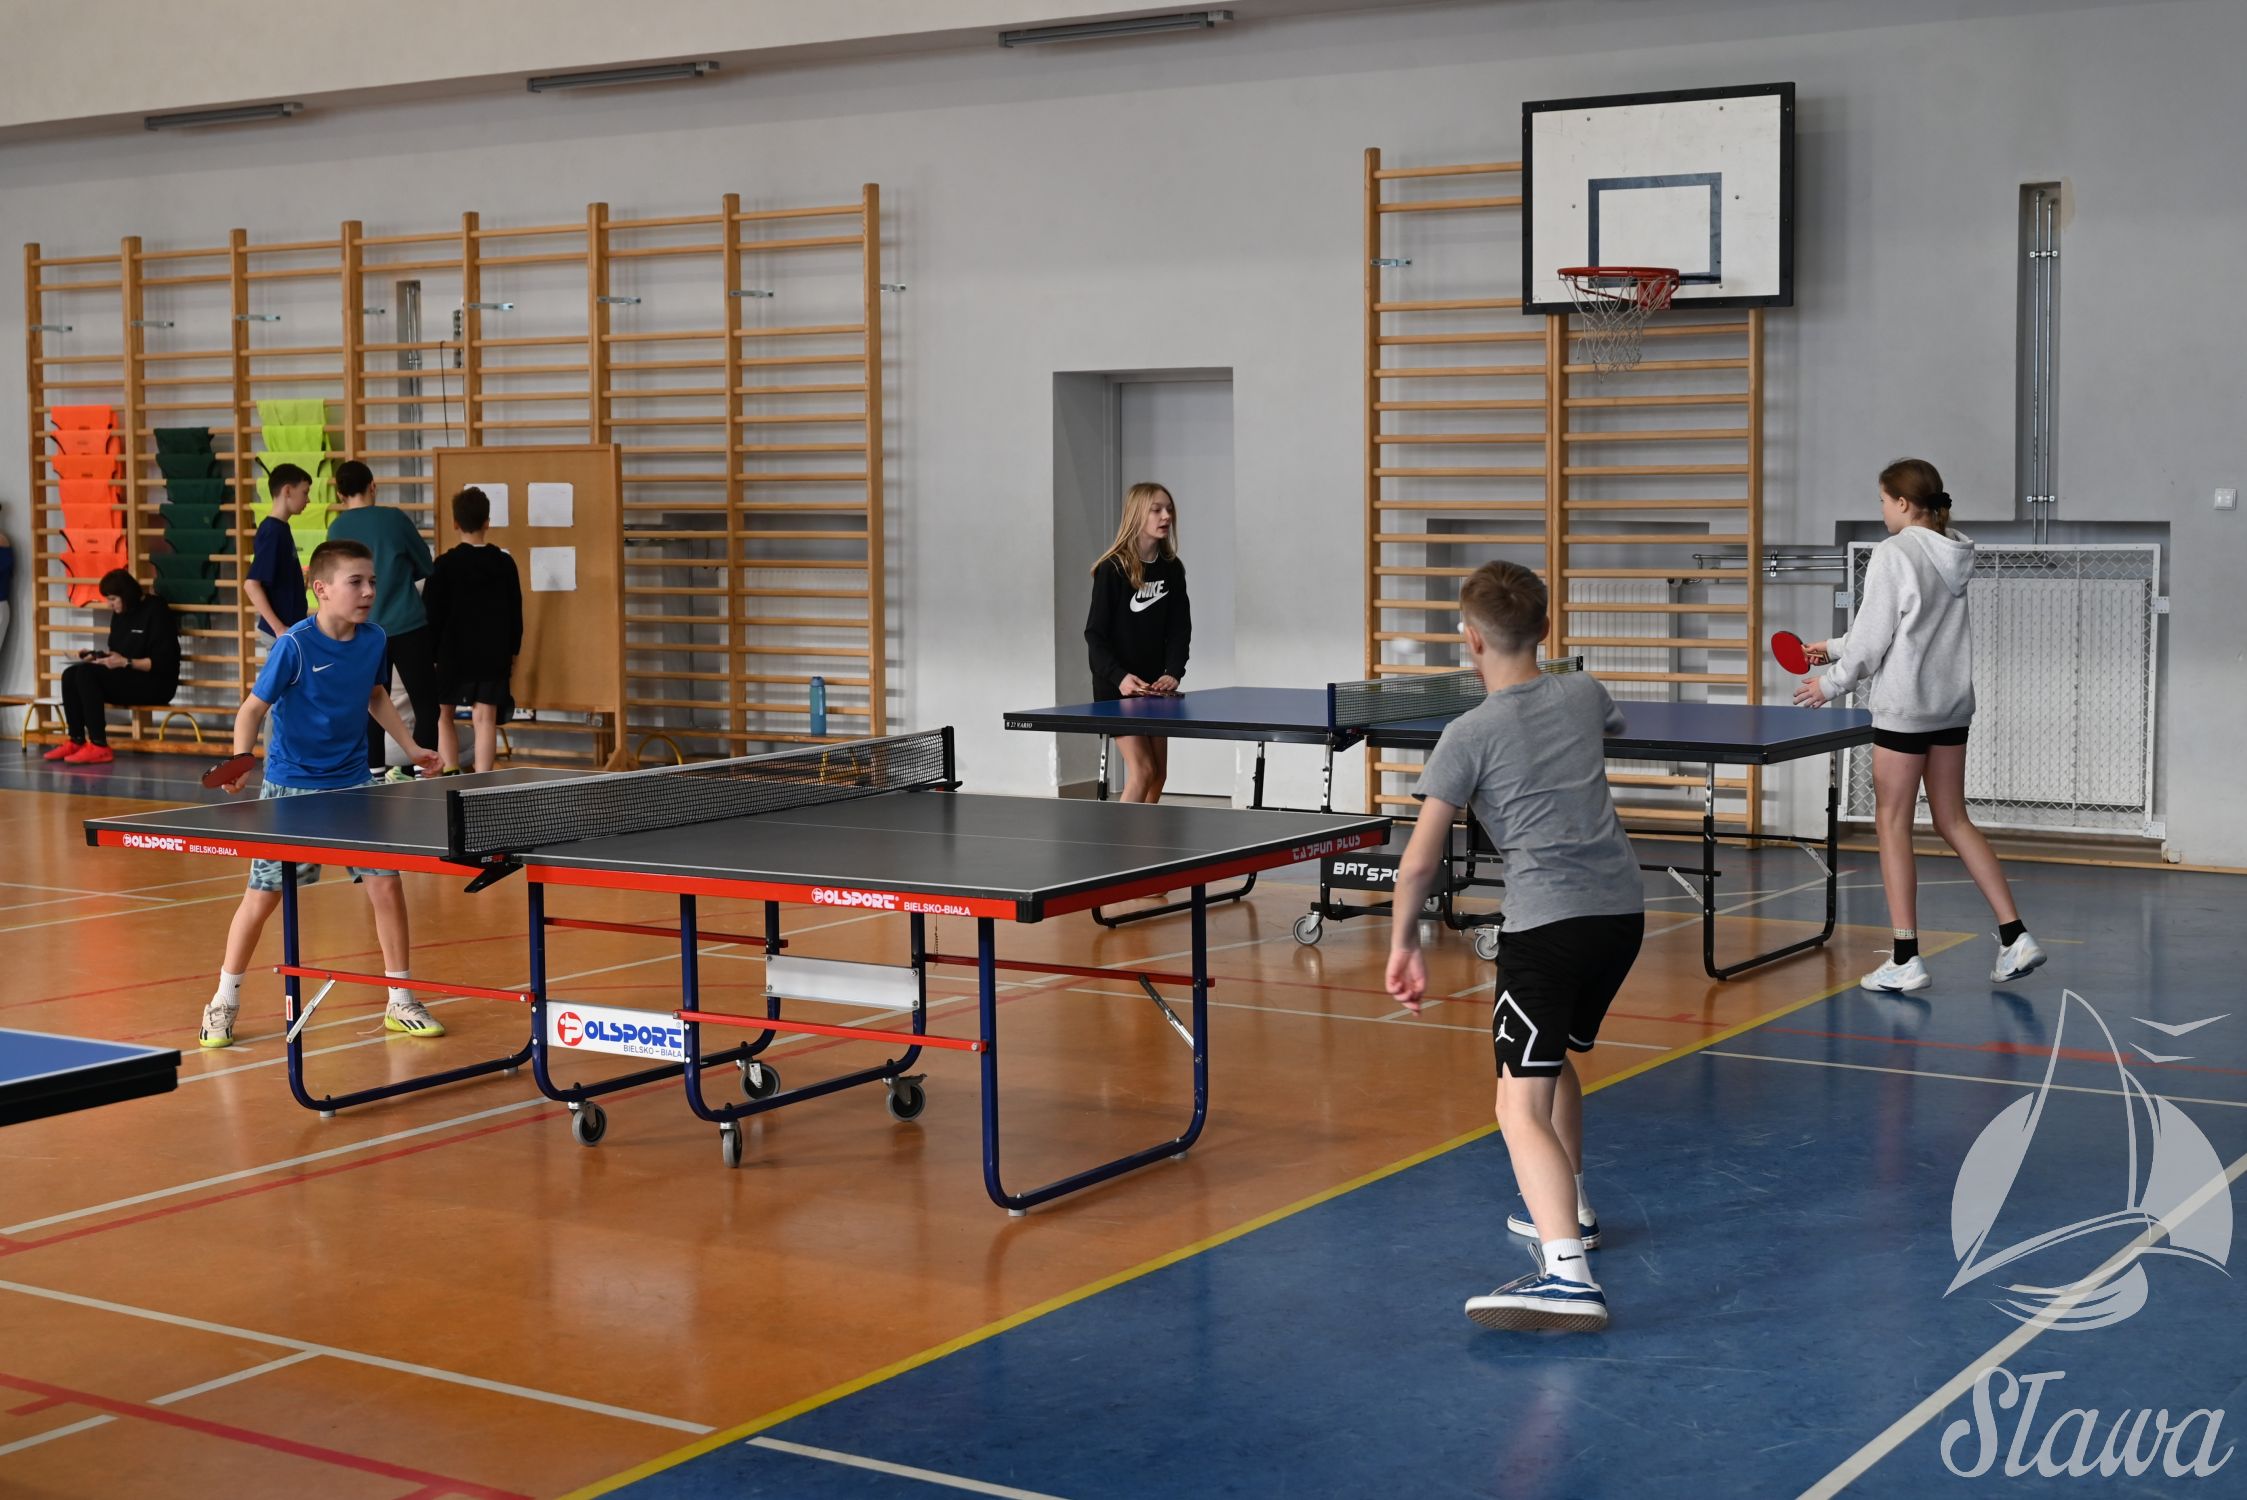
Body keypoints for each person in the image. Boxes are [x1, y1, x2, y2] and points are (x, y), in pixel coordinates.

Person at [1386, 560, 1645, 1333]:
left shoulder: (1465, 736)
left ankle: (1567, 1277)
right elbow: (1610, 724)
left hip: (1547, 928)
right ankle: (1569, 1209)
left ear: (1469, 639)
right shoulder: (1583, 691)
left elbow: (1419, 862)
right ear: (1545, 628)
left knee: (1514, 1102)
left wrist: (1403, 944)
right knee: (1551, 1058)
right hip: (1619, 917)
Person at [1794, 458, 2042, 992]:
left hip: (1905, 711)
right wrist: (1832, 647)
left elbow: (1872, 642)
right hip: (1950, 709)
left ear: (1903, 503)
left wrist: (1830, 684)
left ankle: (1905, 957)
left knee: (1891, 823)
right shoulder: (1951, 549)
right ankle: (2015, 935)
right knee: (1954, 819)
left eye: (1883, 501)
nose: (1882, 511)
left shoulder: (1894, 552)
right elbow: (1900, 627)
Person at [199, 538, 443, 1051]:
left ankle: (400, 999)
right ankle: (223, 1000)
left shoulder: (375, 638)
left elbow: (375, 696)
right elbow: (252, 710)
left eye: (372, 581)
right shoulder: (294, 645)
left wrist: (412, 748)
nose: (368, 591)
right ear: (322, 589)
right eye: (356, 582)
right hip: (291, 790)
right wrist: (242, 760)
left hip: (354, 785)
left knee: (386, 885)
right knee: (263, 898)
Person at [327, 460, 437, 771]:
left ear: (340, 493)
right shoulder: (395, 519)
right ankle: (424, 772)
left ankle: (373, 773)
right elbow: (426, 566)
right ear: (372, 486)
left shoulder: (336, 529)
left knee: (371, 703)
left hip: (362, 629)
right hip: (407, 624)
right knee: (426, 706)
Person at [1084, 482, 1190, 802]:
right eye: (1156, 510)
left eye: (1169, 509)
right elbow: (1095, 636)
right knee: (1143, 770)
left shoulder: (1172, 569)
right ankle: (1120, 835)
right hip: (1117, 688)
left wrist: (1173, 672)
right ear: (1136, 515)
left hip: (1153, 689)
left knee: (1158, 774)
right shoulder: (1112, 569)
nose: (1166, 516)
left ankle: (1145, 835)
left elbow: (1180, 629)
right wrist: (1119, 677)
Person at [423, 486, 522, 774]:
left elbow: (432, 614)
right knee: (485, 718)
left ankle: (451, 773)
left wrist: (431, 654)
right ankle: (483, 780)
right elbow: (515, 612)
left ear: (455, 523)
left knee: (443, 715)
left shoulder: (443, 565)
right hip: (493, 654)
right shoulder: (504, 563)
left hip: (452, 653)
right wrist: (513, 651)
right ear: (487, 522)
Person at [48, 568, 180, 765]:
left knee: (86, 674)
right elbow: (118, 653)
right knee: (71, 674)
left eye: (112, 599)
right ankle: (76, 739)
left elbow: (163, 663)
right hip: (129, 676)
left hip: (156, 683)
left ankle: (99, 744)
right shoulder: (121, 612)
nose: (109, 604)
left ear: (126, 595)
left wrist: (126, 662)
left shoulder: (156, 610)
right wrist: (97, 656)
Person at [245, 462, 312, 641]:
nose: (308, 500)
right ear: (288, 490)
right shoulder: (272, 531)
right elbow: (251, 585)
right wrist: (279, 628)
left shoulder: (280, 528)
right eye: (305, 493)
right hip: (282, 634)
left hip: (290, 629)